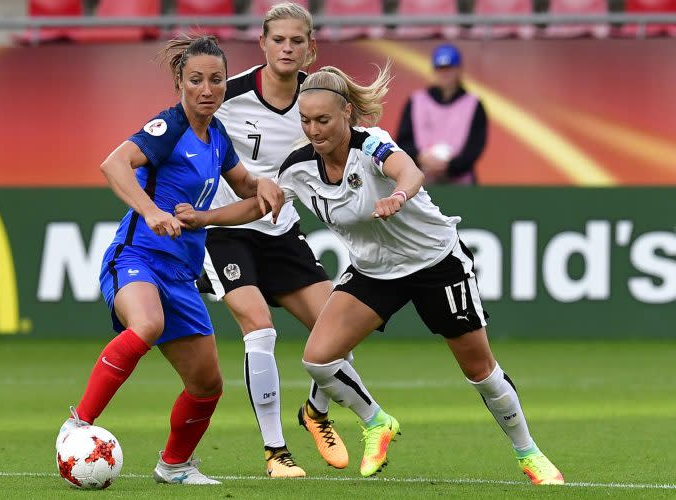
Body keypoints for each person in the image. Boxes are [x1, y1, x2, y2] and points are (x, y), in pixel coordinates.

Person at [175, 64, 565, 485]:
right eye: (305, 121)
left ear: (346, 114)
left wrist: (398, 195)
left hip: (434, 262)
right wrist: (205, 218)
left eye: (323, 120)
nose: (314, 130)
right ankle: (377, 421)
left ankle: (529, 453)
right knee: (318, 359)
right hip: (374, 272)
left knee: (479, 369)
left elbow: (409, 171)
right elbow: (258, 205)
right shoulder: (298, 167)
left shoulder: (373, 145)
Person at [55, 35, 283, 486]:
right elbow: (114, 164)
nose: (207, 89)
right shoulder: (168, 127)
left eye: (216, 80)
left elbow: (244, 191)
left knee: (207, 386)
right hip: (137, 256)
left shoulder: (217, 136)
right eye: (196, 79)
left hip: (181, 274)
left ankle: (174, 466)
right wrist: (152, 211)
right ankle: (77, 424)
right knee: (148, 324)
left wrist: (264, 188)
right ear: (180, 81)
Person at [196, 2, 347, 477]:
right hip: (224, 231)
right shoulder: (229, 94)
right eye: (277, 39)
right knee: (259, 328)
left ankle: (315, 413)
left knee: (340, 332)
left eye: (296, 41)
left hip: (282, 231)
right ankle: (275, 451)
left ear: (310, 49)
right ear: (262, 44)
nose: (286, 48)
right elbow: (184, 132)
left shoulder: (317, 101)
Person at [396, 43, 487, 185]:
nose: (445, 74)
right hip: (420, 183)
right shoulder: (416, 101)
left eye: (449, 68)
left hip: (461, 183)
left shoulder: (474, 104)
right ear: (434, 70)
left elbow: (475, 146)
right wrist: (420, 157)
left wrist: (450, 166)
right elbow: (403, 140)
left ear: (459, 70)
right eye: (440, 69)